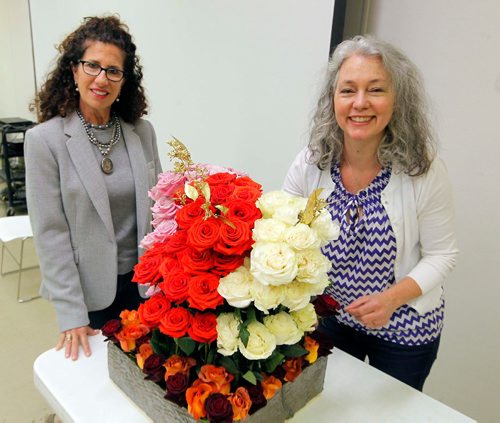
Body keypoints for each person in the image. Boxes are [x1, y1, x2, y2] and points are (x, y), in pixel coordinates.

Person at [283, 35, 458, 391]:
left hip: (404, 327)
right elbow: (284, 229)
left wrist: (390, 299)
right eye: (348, 90)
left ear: (397, 100)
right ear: (333, 99)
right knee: (325, 405)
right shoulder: (312, 161)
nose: (360, 103)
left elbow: (443, 255)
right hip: (330, 317)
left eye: (375, 89)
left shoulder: (422, 170)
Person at [25, 16, 162, 360]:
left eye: (113, 71)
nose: (102, 78)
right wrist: (71, 314)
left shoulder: (141, 132)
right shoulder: (45, 141)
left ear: (124, 81)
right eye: (92, 66)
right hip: (89, 296)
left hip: (145, 286)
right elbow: (51, 234)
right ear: (74, 70)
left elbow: (161, 211)